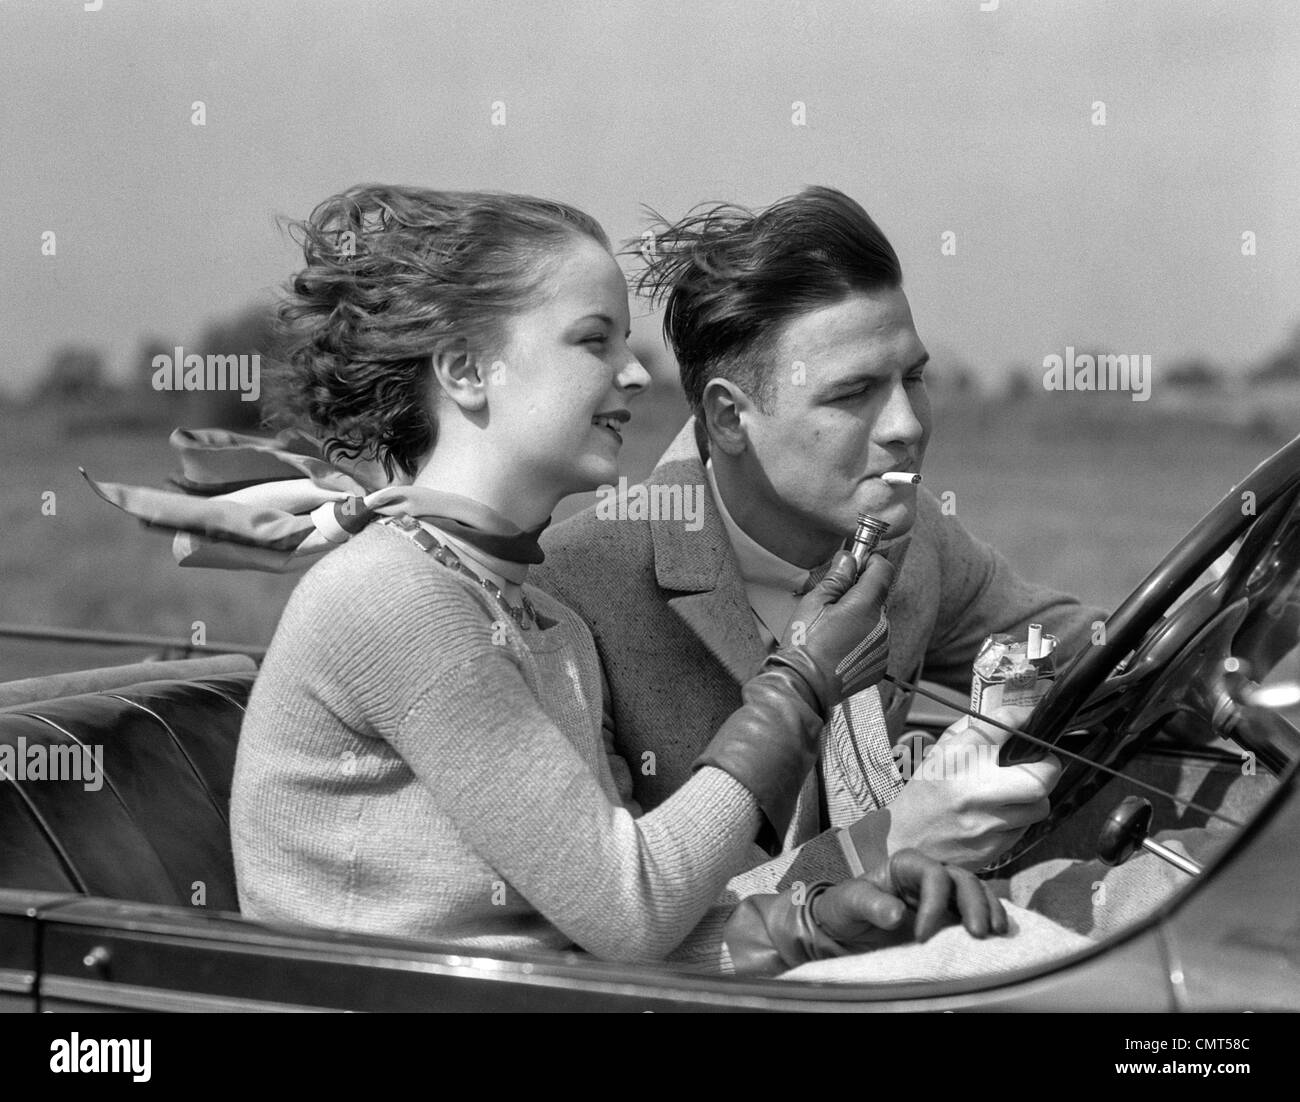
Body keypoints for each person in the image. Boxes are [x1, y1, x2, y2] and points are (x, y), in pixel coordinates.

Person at [86, 183, 1009, 976]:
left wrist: (808, 923)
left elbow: (611, 937)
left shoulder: (539, 617)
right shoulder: (392, 597)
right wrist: (802, 678)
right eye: (592, 341)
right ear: (465, 371)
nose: (637, 374)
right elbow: (633, 908)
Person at [531, 186, 1103, 899]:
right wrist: (894, 844)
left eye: (914, 377)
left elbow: (1073, 648)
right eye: (852, 393)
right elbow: (629, 919)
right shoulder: (571, 592)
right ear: (729, 418)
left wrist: (1006, 713)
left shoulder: (912, 533)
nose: (906, 426)